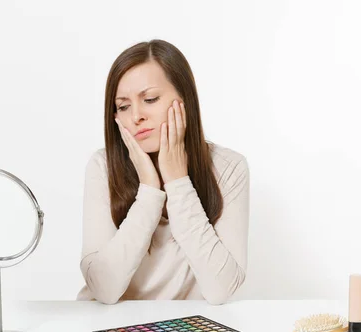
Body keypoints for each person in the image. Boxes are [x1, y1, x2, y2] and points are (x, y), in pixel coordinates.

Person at [76, 39, 250, 305]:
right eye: (123, 106)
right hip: (109, 328)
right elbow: (104, 290)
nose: (136, 116)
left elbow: (222, 290)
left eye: (150, 99)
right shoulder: (103, 167)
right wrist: (149, 189)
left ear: (185, 100)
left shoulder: (228, 167)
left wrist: (178, 181)